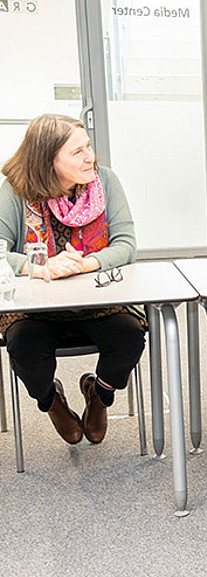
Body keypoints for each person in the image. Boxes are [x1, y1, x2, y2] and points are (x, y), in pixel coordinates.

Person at [0, 113, 143, 445]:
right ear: (48, 160)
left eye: (88, 146)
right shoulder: (15, 192)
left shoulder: (104, 182)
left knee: (130, 338)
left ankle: (100, 395)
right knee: (23, 347)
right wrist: (40, 268)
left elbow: (126, 245)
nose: (89, 157)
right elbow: (0, 251)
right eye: (77, 152)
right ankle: (52, 401)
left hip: (99, 302)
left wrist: (86, 263)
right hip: (36, 309)